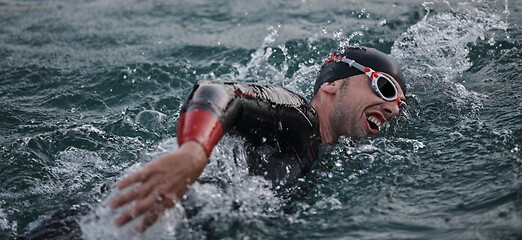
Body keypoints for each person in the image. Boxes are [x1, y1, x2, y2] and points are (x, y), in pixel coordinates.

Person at [109, 46, 407, 232]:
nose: (393, 107)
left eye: (400, 104)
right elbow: (219, 93)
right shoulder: (297, 115)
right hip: (128, 213)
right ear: (332, 84)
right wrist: (194, 151)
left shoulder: (323, 153)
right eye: (384, 87)